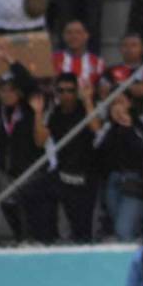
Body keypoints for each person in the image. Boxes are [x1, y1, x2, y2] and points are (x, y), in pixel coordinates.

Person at [0, 67, 52, 243]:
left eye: (12, 90)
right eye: (3, 90)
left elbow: (34, 86)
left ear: (20, 91)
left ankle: (28, 239)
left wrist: (13, 63)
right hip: (5, 172)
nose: (7, 94)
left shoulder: (30, 107)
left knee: (25, 202)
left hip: (32, 172)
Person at [46, 72, 101, 242]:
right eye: (61, 91)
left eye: (70, 90)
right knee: (68, 226)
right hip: (64, 176)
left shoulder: (85, 109)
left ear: (76, 91)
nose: (65, 95)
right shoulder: (54, 114)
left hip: (88, 176)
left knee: (86, 226)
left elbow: (96, 128)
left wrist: (87, 100)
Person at [95, 87, 143, 240]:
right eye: (114, 103)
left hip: (134, 181)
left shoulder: (141, 122)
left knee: (123, 229)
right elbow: (100, 151)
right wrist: (113, 126)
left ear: (130, 103)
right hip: (113, 181)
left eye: (121, 102)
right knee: (121, 229)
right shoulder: (107, 126)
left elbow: (142, 151)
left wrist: (127, 126)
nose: (118, 106)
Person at [51, 19, 104, 90]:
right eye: (69, 33)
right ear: (63, 36)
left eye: (78, 32)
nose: (73, 36)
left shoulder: (98, 63)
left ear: (86, 35)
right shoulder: (52, 60)